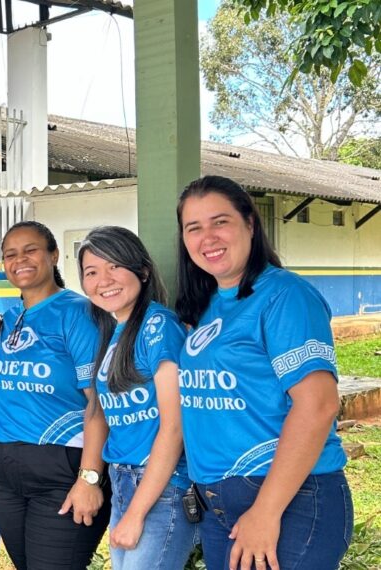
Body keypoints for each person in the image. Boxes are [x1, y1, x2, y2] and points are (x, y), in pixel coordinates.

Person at [175, 175, 353, 570]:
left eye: (220, 221)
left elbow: (318, 405)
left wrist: (266, 511)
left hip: (289, 502)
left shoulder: (284, 295)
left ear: (250, 225)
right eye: (194, 227)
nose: (208, 237)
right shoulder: (206, 305)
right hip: (220, 507)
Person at [0, 221, 111, 570]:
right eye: (10, 254)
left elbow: (100, 402)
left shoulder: (79, 313)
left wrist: (90, 477)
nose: (20, 259)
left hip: (63, 468)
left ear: (53, 255)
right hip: (5, 469)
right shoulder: (7, 318)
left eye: (31, 249)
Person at [78, 226, 198, 569]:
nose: (104, 279)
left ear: (142, 271)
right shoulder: (114, 331)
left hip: (161, 486)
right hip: (125, 479)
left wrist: (137, 511)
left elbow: (174, 427)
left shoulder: (158, 326)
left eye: (115, 265)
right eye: (91, 272)